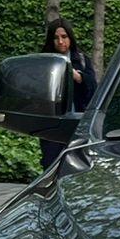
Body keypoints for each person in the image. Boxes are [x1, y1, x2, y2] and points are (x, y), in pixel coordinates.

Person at [40, 18, 97, 169]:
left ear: (70, 37)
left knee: (77, 166)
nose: (60, 41)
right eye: (56, 37)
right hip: (52, 125)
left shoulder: (82, 60)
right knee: (51, 165)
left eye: (64, 37)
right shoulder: (44, 61)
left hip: (77, 122)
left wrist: (78, 77)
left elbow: (93, 88)